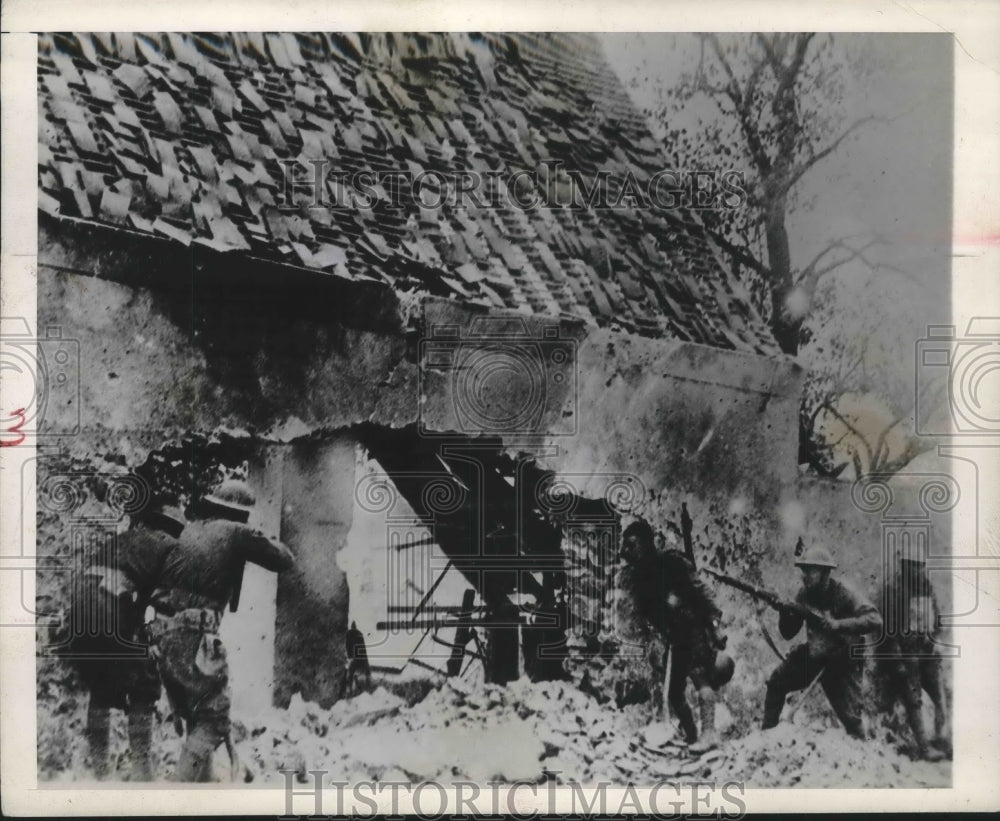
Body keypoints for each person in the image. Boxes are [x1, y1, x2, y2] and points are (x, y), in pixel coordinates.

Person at [146, 479, 294, 782]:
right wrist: (256, 536)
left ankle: (202, 792)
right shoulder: (236, 531)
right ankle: (178, 795)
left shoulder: (188, 529)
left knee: (194, 716)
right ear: (241, 514)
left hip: (160, 634)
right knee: (212, 721)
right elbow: (283, 559)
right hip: (192, 636)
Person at [61, 502, 183, 781]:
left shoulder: (123, 538)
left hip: (80, 611)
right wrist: (154, 640)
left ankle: (100, 772)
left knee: (101, 686)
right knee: (146, 680)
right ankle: (142, 770)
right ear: (174, 529)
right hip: (110, 608)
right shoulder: (169, 548)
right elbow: (160, 602)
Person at [621, 519, 731, 753]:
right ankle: (691, 736)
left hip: (694, 628)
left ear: (646, 543)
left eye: (632, 545)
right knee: (674, 692)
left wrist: (715, 625)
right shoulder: (641, 577)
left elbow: (702, 592)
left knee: (701, 678)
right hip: (675, 637)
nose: (627, 552)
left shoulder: (671, 562)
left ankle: (709, 734)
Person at [762, 545, 882, 739]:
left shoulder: (844, 593)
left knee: (852, 720)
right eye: (803, 570)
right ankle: (766, 736)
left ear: (825, 572)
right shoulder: (803, 594)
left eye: (810, 570)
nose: (804, 575)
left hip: (843, 660)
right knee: (777, 682)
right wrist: (783, 610)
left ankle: (864, 757)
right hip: (816, 654)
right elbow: (788, 633)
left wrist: (838, 625)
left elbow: (875, 619)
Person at [879, 550, 949, 761]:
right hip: (906, 653)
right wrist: (897, 660)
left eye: (920, 565)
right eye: (913, 565)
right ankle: (924, 747)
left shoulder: (927, 587)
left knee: (940, 693)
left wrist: (937, 642)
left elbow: (937, 619)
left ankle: (942, 738)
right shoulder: (894, 589)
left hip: (927, 650)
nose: (918, 570)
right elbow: (889, 631)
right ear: (904, 566)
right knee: (913, 698)